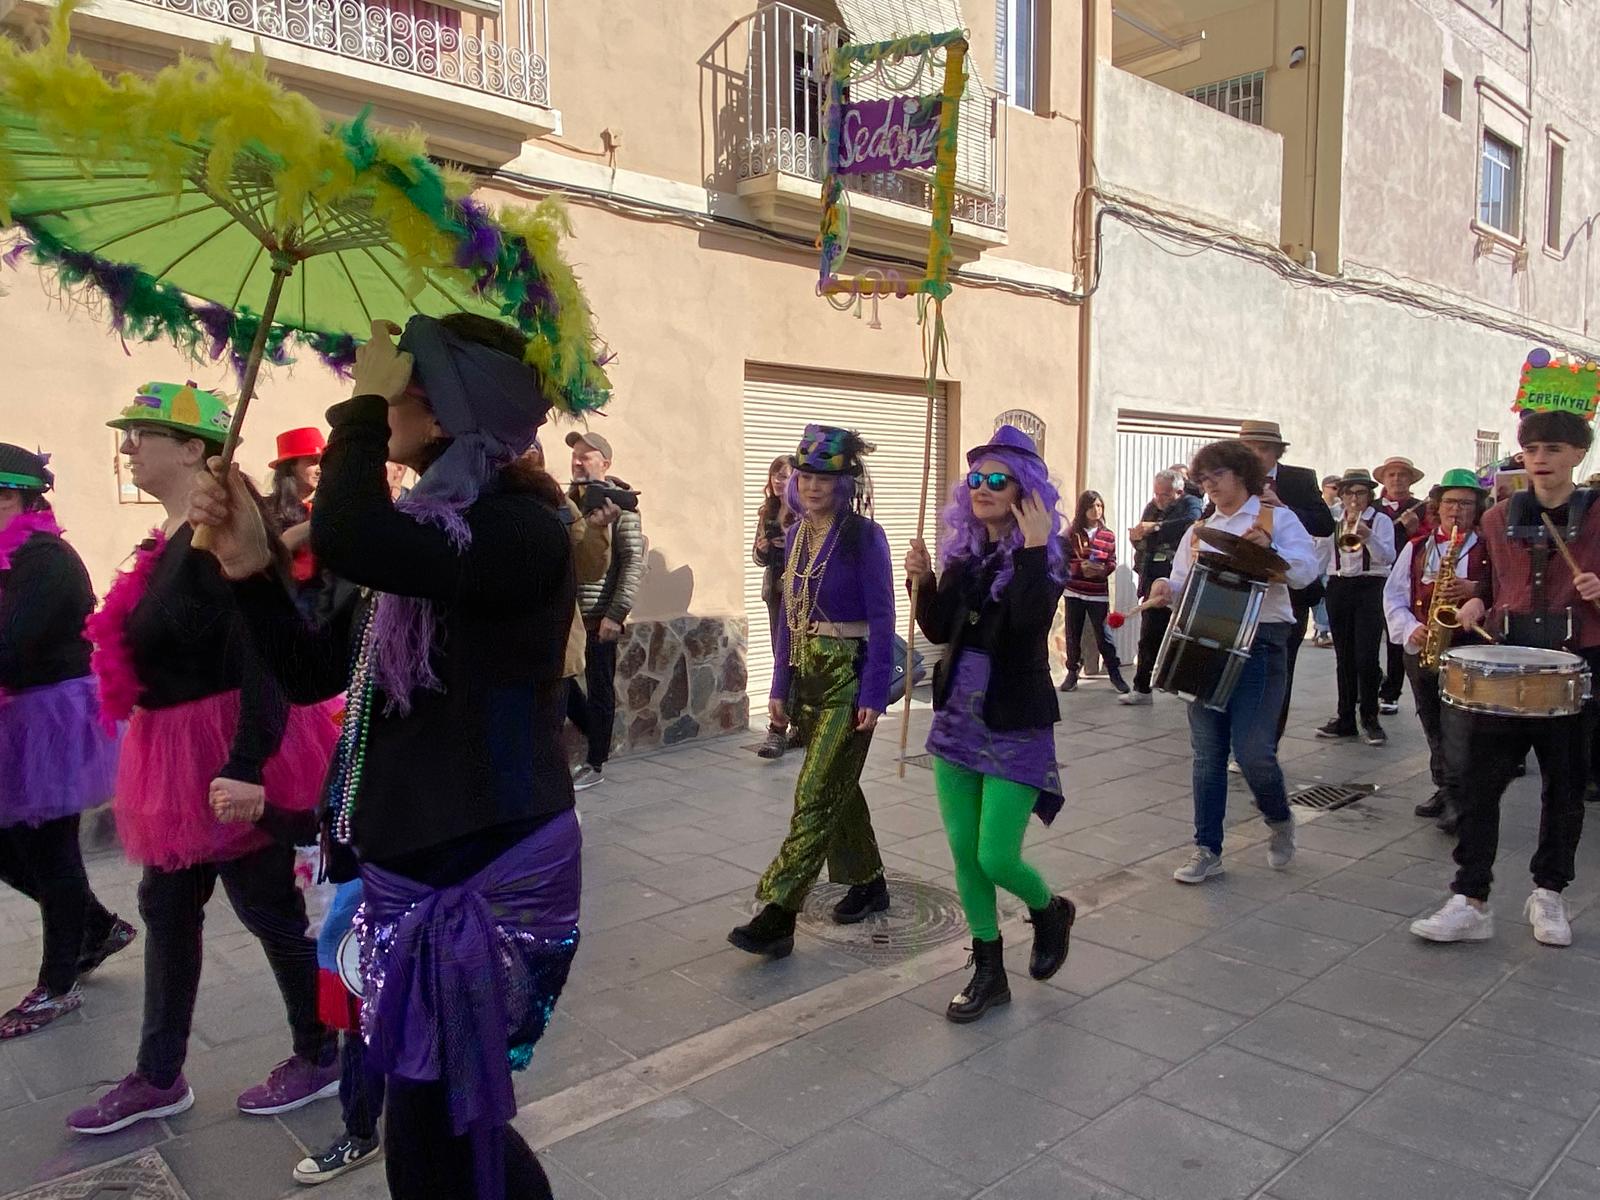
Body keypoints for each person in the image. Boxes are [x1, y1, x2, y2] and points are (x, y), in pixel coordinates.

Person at [191, 314, 584, 1199]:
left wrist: (356, 414)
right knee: (443, 1114)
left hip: (487, 869)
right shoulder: (426, 529)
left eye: (396, 387)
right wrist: (250, 567)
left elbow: (357, 534)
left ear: (442, 412)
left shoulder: (522, 530)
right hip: (407, 873)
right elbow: (310, 671)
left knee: (431, 1120)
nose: (375, 400)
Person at [68, 383, 339, 1136]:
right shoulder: (168, 535)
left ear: (194, 448)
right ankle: (159, 1075)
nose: (127, 446)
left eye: (142, 434)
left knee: (266, 909)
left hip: (229, 753)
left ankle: (320, 1054)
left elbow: (267, 659)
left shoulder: (229, 529)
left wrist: (250, 764)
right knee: (167, 908)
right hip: (171, 754)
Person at [904, 425, 1075, 1023]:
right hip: (956, 719)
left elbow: (1028, 627)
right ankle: (988, 970)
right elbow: (936, 630)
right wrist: (921, 581)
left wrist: (1031, 548)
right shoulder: (966, 557)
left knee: (997, 855)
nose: (981, 488)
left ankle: (1049, 908)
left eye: (996, 479)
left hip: (1014, 719)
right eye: (974, 479)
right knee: (962, 852)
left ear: (1024, 491)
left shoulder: (1047, 559)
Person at [1412, 408, 1600, 949]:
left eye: (1554, 450)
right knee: (1476, 786)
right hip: (1506, 663)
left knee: (1564, 789)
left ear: (1577, 455)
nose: (1541, 459)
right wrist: (1473, 601)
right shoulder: (1497, 518)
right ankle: (1471, 899)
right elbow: (1493, 587)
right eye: (1533, 449)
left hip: (1575, 665)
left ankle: (1549, 893)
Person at [729, 425, 894, 957]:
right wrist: (779, 683)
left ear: (846, 480)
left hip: (851, 672)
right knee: (837, 783)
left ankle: (778, 913)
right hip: (807, 670)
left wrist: (873, 693)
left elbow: (885, 617)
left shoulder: (864, 536)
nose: (812, 485)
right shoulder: (798, 533)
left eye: (825, 476)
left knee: (814, 791)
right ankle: (868, 881)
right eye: (805, 475)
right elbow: (789, 621)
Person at [0, 445, 131, 1039]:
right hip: (17, 713)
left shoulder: (46, 559)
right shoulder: (12, 558)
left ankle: (57, 985)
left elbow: (14, 644)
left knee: (53, 850)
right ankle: (96, 926)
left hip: (50, 715)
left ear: (23, 500)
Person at [1146, 439, 1320, 884]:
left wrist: (1268, 552)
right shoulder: (1200, 529)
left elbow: (1305, 572)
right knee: (1207, 755)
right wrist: (1165, 587)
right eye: (1203, 481)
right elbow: (1183, 581)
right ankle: (1207, 848)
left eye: (1216, 478)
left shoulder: (1277, 518)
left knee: (1254, 751)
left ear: (1241, 475)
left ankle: (1279, 819)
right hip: (1207, 640)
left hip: (1262, 639)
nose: (1209, 488)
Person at [1382, 469, 1490, 834]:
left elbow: (1506, 593)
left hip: (1470, 650)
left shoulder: (1489, 548)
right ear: (1437, 505)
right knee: (1432, 721)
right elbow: (1394, 595)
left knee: (1464, 727)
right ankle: (1444, 788)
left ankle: (1462, 798)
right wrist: (1411, 628)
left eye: (1465, 504)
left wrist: (1476, 590)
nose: (1456, 510)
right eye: (1449, 502)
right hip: (1424, 644)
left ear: (1477, 509)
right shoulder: (1417, 546)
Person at [1234, 421, 1336, 741]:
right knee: (1239, 666)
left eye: (1264, 449)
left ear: (1278, 452)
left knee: (1279, 670)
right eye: (1250, 449)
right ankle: (1242, 736)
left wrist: (1285, 508)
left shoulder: (1299, 478)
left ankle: (1268, 740)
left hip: (1288, 590)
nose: (1257, 456)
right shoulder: (1232, 480)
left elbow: (1324, 524)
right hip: (1242, 590)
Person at [566, 430, 644, 791]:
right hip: (567, 615)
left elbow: (631, 564)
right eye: (576, 455)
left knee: (599, 687)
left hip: (599, 614)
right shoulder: (566, 501)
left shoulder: (621, 506)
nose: (578, 461)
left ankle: (596, 762)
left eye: (587, 455)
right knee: (562, 684)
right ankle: (598, 736)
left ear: (605, 463)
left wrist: (616, 614)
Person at [1317, 468, 1397, 746]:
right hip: (1339, 587)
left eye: (1360, 492)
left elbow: (1388, 558)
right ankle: (1345, 718)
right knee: (1344, 657)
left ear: (1369, 495)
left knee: (1366, 656)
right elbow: (1321, 556)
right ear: (1341, 495)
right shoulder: (1333, 521)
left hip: (1370, 587)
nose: (1354, 498)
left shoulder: (1382, 521)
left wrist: (1368, 536)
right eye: (1349, 492)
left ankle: (1371, 718)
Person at [1120, 469, 1202, 705]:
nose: (1159, 499)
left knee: (1185, 637)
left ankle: (1187, 686)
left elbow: (1189, 524)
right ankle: (1142, 688)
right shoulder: (1152, 506)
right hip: (1153, 578)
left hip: (1180, 580)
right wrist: (1136, 537)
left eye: (1164, 495)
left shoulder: (1191, 505)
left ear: (1178, 491)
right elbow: (1144, 538)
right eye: (1156, 494)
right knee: (1149, 634)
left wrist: (1156, 527)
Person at [1059, 490, 1128, 694]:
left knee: (1103, 634)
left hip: (1098, 592)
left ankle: (1114, 673)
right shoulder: (1072, 534)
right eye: (1092, 506)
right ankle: (1072, 673)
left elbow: (1112, 561)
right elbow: (1062, 561)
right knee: (1073, 634)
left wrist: (1103, 570)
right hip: (1075, 591)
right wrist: (1080, 569)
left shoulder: (1107, 535)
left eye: (1099, 506)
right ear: (1083, 509)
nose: (1096, 510)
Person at [1374, 456, 1428, 714]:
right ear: (1384, 479)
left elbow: (1427, 544)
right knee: (1367, 638)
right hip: (1372, 578)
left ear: (1410, 480)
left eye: (1402, 475)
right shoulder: (1372, 508)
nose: (1397, 479)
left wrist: (1414, 529)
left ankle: (1391, 692)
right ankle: (1369, 681)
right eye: (1392, 475)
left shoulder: (1422, 508)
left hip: (1405, 579)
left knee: (1397, 635)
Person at [754, 455, 798, 758]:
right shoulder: (767, 511)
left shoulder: (804, 512)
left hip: (801, 594)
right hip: (776, 593)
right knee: (780, 657)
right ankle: (778, 727)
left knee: (800, 660)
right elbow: (758, 560)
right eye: (775, 476)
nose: (779, 481)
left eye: (785, 476)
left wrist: (790, 541)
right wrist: (763, 548)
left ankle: (791, 725)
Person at [265, 427, 326, 618]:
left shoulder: (329, 506)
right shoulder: (267, 508)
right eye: (312, 462)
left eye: (323, 462)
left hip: (322, 601)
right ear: (291, 465)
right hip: (279, 598)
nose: (320, 469)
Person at [1311, 475, 1341, 648]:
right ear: (1325, 489)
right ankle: (1319, 630)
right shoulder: (1318, 510)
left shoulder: (1340, 510)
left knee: (1326, 596)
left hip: (1332, 561)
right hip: (1315, 559)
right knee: (1316, 599)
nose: (1338, 492)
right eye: (1334, 488)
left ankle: (1323, 631)